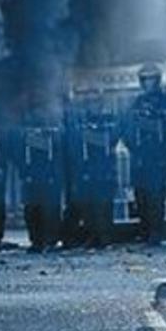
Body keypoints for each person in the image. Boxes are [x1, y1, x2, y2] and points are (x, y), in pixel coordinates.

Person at [127, 63, 166, 244]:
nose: (148, 83)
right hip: (139, 156)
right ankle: (144, 230)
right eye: (145, 79)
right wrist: (133, 146)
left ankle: (156, 233)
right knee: (140, 194)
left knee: (157, 195)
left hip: (158, 156)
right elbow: (126, 128)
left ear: (158, 80)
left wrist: (157, 127)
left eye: (151, 79)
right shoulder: (136, 103)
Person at [62, 92, 118, 248]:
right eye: (90, 103)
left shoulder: (109, 120)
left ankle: (105, 238)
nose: (93, 106)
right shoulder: (80, 123)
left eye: (96, 103)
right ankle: (93, 236)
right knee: (88, 206)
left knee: (104, 205)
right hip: (86, 168)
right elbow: (74, 145)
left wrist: (91, 136)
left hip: (104, 168)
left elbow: (113, 139)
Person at [15, 124, 63, 252]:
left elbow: (61, 152)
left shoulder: (55, 129)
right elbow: (17, 151)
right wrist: (24, 171)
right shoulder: (24, 130)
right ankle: (36, 240)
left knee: (49, 209)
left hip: (49, 172)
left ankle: (50, 240)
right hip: (31, 172)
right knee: (31, 209)